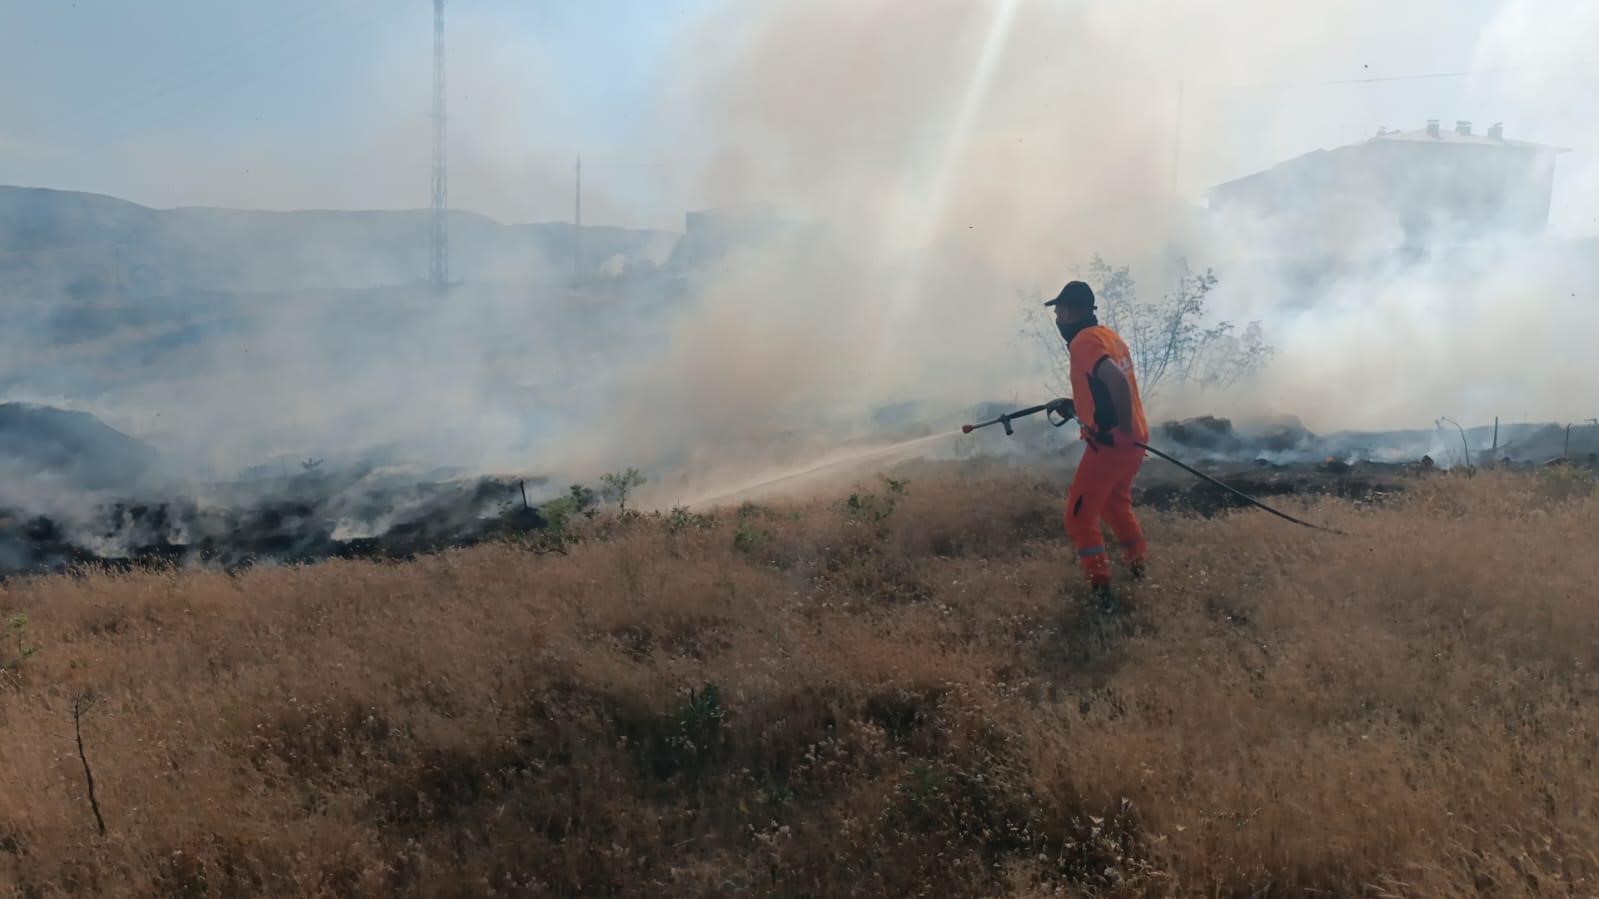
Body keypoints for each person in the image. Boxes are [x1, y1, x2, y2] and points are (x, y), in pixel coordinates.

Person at [1043, 280, 1150, 608]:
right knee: (1115, 506)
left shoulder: (1083, 342)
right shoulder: (1107, 336)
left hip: (1111, 445)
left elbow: (1115, 380)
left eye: (1059, 311)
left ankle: (1101, 591)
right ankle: (1139, 567)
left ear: (1071, 311)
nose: (1057, 318)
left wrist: (1118, 428)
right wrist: (1076, 405)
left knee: (1079, 517)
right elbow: (1104, 388)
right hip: (1134, 440)